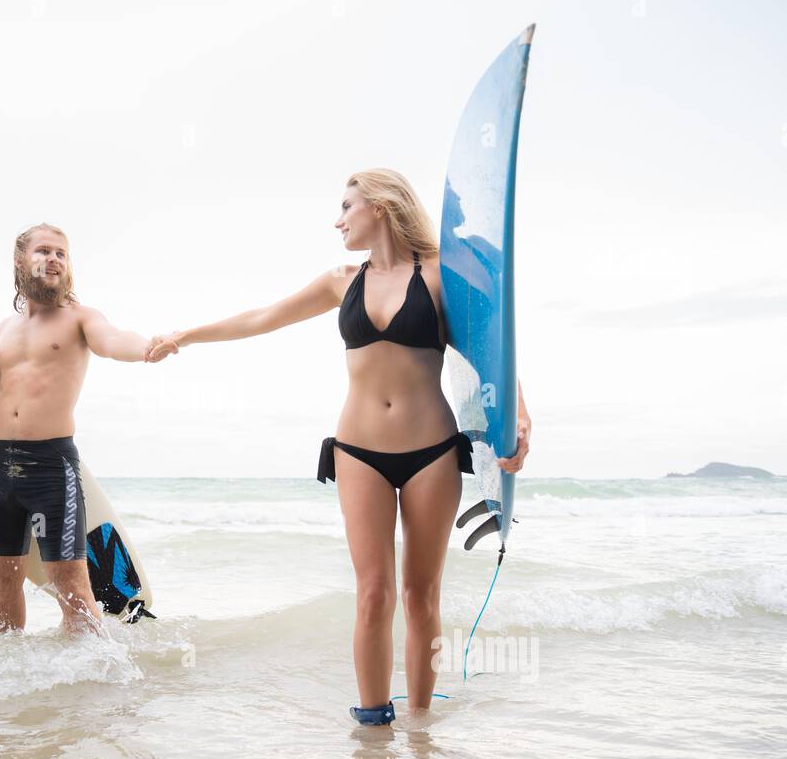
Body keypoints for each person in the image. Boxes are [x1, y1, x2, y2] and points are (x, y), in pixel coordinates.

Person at [147, 169, 531, 722]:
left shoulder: (443, 276)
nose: (338, 219)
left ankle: (421, 728)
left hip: (432, 453)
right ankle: (373, 729)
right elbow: (262, 317)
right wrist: (186, 335)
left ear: (380, 206)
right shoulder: (341, 281)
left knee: (421, 596)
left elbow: (492, 343)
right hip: (357, 452)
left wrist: (518, 415)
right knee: (374, 592)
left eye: (347, 206)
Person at [0, 223, 170, 634]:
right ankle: (12, 680)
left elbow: (113, 340)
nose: (53, 259)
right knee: (3, 580)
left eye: (61, 253)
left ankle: (91, 684)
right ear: (21, 261)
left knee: (71, 585)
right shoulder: (5, 328)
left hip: (51, 467)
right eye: (43, 251)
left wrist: (145, 348)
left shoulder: (81, 319)